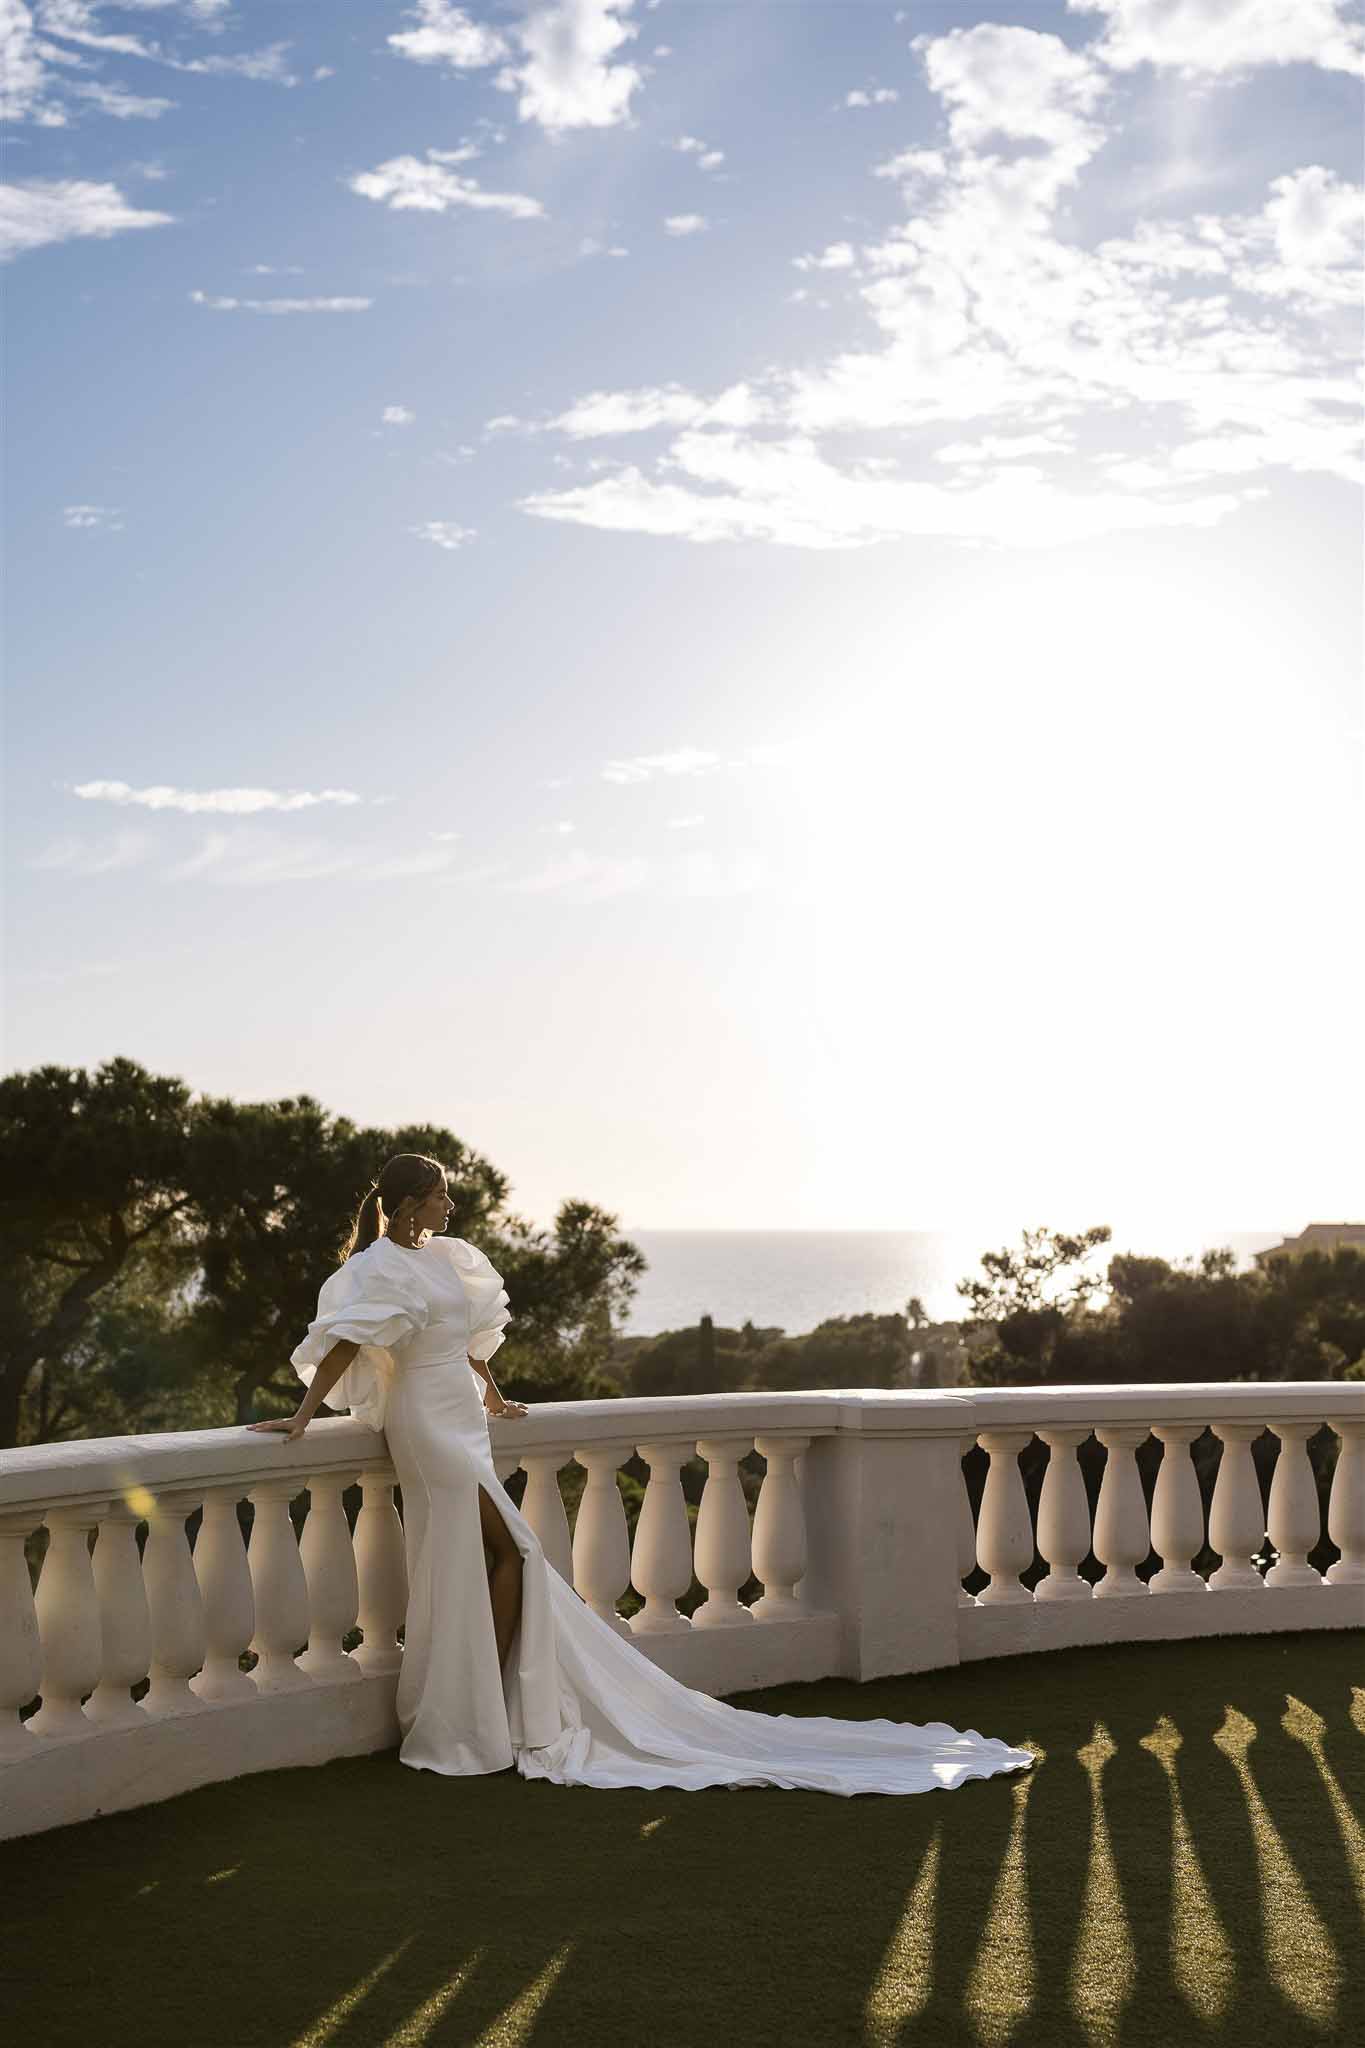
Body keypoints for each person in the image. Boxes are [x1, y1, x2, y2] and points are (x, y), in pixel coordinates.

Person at [249, 1153, 1033, 1794]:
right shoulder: (377, 1268)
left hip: (461, 1414)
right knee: (507, 1552)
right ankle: (469, 1705)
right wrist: (303, 1414)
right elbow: (350, 1345)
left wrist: (493, 1393)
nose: (454, 1207)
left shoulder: (450, 1259)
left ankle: (478, 1695)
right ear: (412, 1203)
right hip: (425, 1426)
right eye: (443, 1197)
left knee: (493, 1556)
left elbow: (465, 1342)